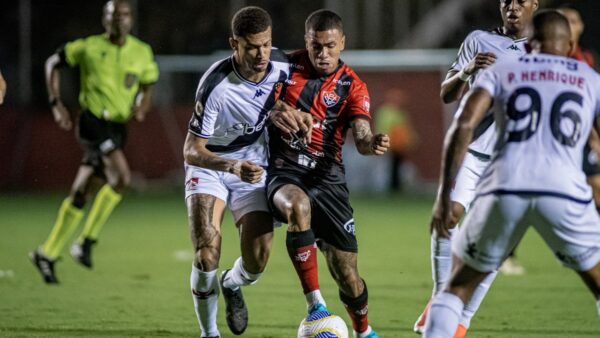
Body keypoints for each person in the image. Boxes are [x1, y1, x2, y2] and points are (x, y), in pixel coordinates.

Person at [424, 10, 600, 337]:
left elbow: (461, 125)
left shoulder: (506, 70)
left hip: (506, 178)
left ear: (530, 43)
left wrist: (440, 193)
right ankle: (456, 317)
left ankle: (450, 318)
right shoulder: (589, 77)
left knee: (457, 286)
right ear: (570, 43)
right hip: (562, 185)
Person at [183, 7, 310, 338]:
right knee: (207, 249)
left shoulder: (282, 64)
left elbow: (294, 98)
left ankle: (232, 283)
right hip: (212, 164)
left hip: (253, 163)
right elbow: (192, 150)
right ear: (234, 44)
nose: (261, 54)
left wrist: (296, 115)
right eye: (252, 46)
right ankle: (209, 333)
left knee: (257, 261)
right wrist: (231, 166)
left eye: (266, 44)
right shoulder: (215, 84)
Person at [414, 0, 538, 336]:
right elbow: (445, 93)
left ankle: (461, 322)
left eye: (521, 1)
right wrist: (468, 69)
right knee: (447, 217)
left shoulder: (542, 47)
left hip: (513, 162)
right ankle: (442, 299)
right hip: (472, 154)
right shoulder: (477, 40)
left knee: (495, 242)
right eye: (506, 1)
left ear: (534, 5)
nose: (512, 7)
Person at [266, 9, 389, 338]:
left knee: (347, 273)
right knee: (297, 207)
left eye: (330, 46)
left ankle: (364, 331)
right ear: (306, 41)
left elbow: (361, 135)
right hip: (285, 170)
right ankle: (315, 305)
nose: (322, 53)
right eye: (315, 46)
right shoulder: (284, 67)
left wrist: (370, 142)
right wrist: (281, 111)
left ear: (342, 43)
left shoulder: (353, 86)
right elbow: (264, 104)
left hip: (328, 179)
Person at [30, 0, 158, 284]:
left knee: (80, 193)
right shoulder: (87, 47)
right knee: (121, 177)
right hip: (92, 123)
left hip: (118, 127)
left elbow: (147, 85)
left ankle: (46, 253)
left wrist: (141, 104)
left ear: (131, 19)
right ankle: (86, 242)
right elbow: (53, 62)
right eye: (113, 15)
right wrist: (56, 103)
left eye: (124, 15)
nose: (119, 20)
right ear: (105, 20)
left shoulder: (141, 51)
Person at [557, 5, 600, 216]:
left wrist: (594, 138)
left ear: (581, 27)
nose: (569, 26)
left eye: (573, 21)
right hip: (556, 137)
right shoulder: (550, 59)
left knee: (597, 186)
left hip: (581, 135)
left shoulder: (587, 59)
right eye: (563, 21)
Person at [375, 88, 418, 192]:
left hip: (399, 146)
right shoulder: (386, 111)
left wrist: (411, 141)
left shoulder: (400, 113)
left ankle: (395, 188)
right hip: (388, 144)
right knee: (388, 167)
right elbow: (384, 128)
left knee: (397, 167)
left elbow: (406, 129)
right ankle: (387, 189)